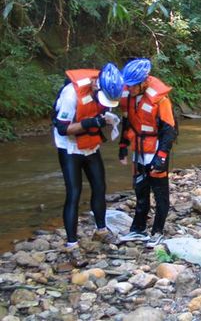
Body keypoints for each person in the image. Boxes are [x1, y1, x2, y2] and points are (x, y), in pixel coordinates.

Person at [53, 63, 124, 267]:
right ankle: (72, 244)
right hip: (69, 147)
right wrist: (91, 123)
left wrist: (108, 120)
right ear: (95, 84)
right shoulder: (70, 94)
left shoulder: (109, 88)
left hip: (91, 146)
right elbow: (62, 129)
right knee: (74, 194)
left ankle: (101, 230)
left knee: (100, 187)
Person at [117, 58, 177, 248]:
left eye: (134, 85)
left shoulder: (161, 100)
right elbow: (128, 122)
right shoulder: (129, 95)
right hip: (139, 148)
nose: (131, 88)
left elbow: (170, 130)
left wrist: (162, 156)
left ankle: (157, 231)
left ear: (144, 82)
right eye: (129, 85)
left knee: (160, 192)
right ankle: (138, 228)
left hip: (156, 147)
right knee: (140, 190)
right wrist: (123, 145)